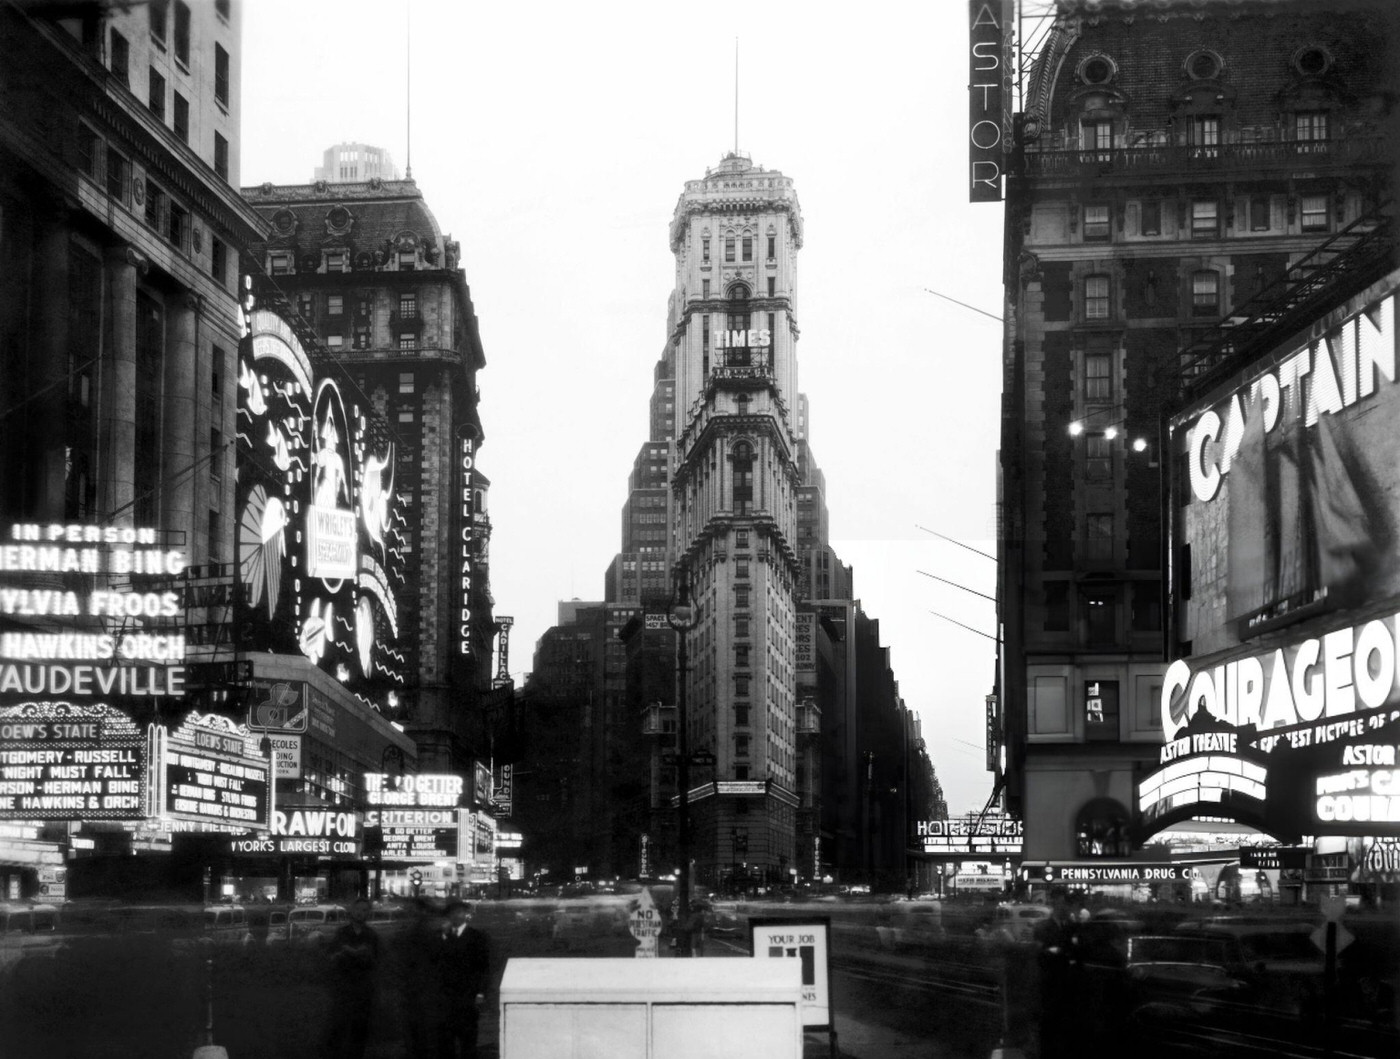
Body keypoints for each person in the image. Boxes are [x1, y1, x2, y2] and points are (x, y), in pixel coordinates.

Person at [323, 896, 381, 1059]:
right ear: (351, 912)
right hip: (344, 987)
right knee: (338, 1027)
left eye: (365, 910)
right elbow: (330, 957)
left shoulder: (372, 935)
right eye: (358, 910)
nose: (361, 914)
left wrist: (366, 956)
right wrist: (343, 953)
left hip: (363, 989)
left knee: (359, 1030)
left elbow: (377, 961)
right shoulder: (342, 933)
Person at [435, 900, 491, 1059]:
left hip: (468, 995)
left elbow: (483, 966)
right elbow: (435, 961)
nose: (455, 916)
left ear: (465, 915)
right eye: (452, 913)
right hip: (446, 997)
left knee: (468, 1040)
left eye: (459, 912)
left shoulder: (476, 936)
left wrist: (481, 992)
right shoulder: (441, 935)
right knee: (446, 1042)